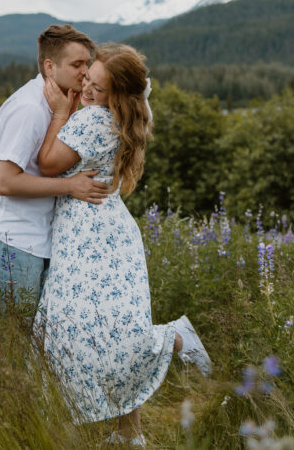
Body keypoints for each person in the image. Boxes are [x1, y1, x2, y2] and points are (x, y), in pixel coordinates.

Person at [33, 43, 212, 446]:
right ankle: (129, 434)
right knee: (110, 330)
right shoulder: (120, 118)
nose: (87, 91)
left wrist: (61, 112)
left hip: (89, 236)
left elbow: (47, 164)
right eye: (87, 80)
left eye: (98, 87)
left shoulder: (91, 120)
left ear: (117, 95)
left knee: (74, 334)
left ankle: (175, 338)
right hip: (107, 233)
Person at [0, 24, 110, 307]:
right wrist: (71, 186)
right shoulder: (30, 109)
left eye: (87, 63)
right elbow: (4, 182)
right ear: (49, 66)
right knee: (13, 333)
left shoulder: (58, 103)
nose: (85, 72)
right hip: (11, 236)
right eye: (76, 64)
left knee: (30, 332)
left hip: (30, 236)